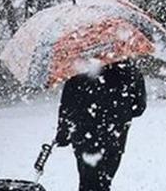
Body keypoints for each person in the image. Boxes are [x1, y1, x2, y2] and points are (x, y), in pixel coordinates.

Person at [55, 60, 146, 191]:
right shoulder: (128, 69)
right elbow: (139, 108)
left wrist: (62, 133)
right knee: (104, 181)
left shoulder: (78, 70)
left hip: (84, 134)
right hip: (115, 134)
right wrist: (121, 111)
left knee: (87, 182)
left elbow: (67, 106)